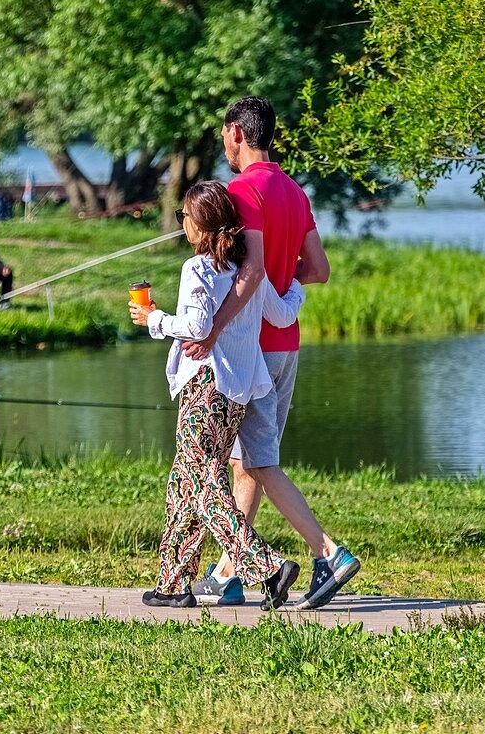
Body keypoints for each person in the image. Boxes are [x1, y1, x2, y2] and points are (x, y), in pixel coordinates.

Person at [182, 96, 359, 610]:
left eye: (223, 136)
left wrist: (212, 330)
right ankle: (228, 574)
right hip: (288, 346)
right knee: (249, 461)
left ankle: (328, 552)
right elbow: (318, 269)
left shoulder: (242, 191)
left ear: (237, 133)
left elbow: (250, 269)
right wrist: (284, 284)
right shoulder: (294, 192)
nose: (223, 146)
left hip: (250, 351)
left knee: (256, 462)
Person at [130, 181, 307, 610]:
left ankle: (265, 567)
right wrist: (299, 282)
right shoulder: (247, 270)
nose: (182, 224)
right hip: (236, 393)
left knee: (203, 483)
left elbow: (194, 328)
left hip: (204, 388)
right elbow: (282, 314)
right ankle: (174, 582)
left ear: (202, 225)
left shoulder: (199, 270)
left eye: (184, 217)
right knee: (184, 482)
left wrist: (153, 318)